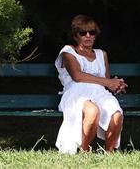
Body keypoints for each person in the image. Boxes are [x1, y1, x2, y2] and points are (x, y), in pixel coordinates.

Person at [54, 15, 126, 153]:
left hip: (99, 93)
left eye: (92, 32)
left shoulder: (101, 54)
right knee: (93, 111)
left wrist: (117, 84)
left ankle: (110, 153)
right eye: (83, 33)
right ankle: (84, 151)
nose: (88, 36)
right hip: (76, 93)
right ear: (75, 36)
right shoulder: (68, 51)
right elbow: (77, 76)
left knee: (116, 114)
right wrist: (108, 82)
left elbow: (106, 80)